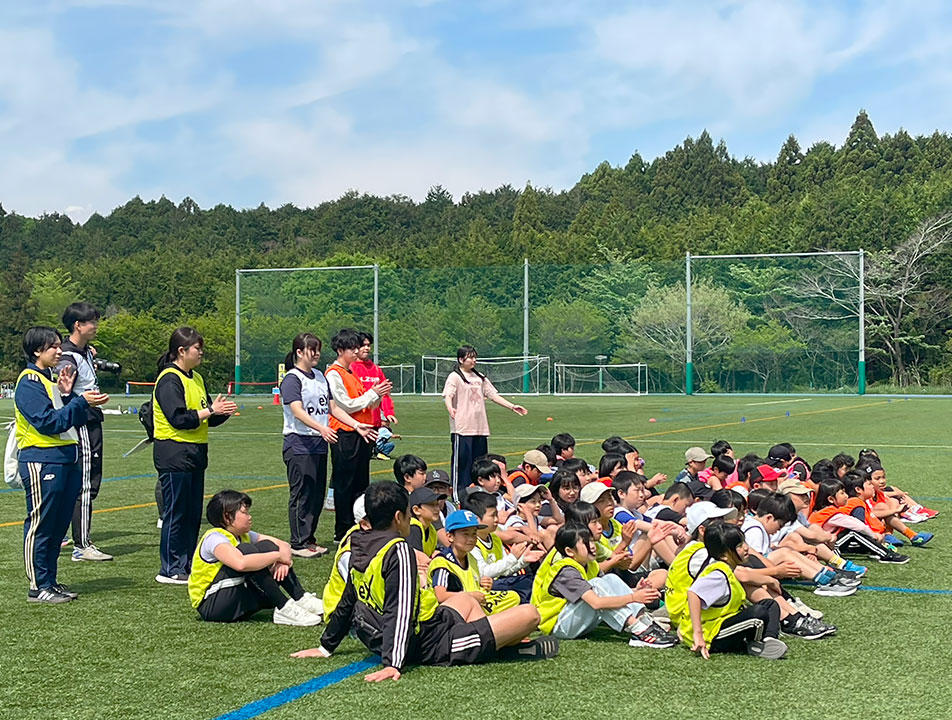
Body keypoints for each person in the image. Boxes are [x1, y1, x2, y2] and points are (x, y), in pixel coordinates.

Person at [291, 482, 558, 679]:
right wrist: (394, 663)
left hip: (409, 627)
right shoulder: (398, 549)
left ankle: (492, 640)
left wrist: (326, 646)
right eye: (408, 513)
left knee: (465, 599)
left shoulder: (357, 542)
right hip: (425, 644)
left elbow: (350, 597)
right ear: (399, 517)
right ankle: (500, 647)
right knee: (529, 614)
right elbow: (402, 607)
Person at [14, 326, 109, 602]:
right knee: (41, 524)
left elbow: (63, 417)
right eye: (52, 346)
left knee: (57, 526)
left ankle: (50, 581)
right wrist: (79, 402)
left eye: (58, 345)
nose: (59, 350)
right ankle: (37, 586)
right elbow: (47, 423)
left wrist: (67, 396)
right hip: (42, 460)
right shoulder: (29, 380)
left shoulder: (48, 380)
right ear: (36, 351)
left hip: (63, 458)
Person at [153, 326, 237, 584]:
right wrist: (211, 410)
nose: (201, 353)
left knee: (191, 513)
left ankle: (187, 563)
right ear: (181, 351)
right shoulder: (169, 379)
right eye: (197, 349)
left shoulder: (196, 378)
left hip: (195, 455)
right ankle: (170, 568)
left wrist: (221, 413)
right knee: (176, 512)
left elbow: (204, 417)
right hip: (174, 454)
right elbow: (178, 418)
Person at [281, 332, 376, 559]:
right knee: (302, 493)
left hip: (319, 443)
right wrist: (320, 427)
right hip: (300, 442)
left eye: (317, 349)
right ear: (299, 352)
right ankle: (298, 541)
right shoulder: (292, 378)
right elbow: (296, 410)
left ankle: (309, 539)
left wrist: (356, 425)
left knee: (316, 493)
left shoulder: (319, 376)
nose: (316, 354)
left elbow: (333, 408)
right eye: (311, 349)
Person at [188, 490, 324, 625]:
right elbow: (240, 563)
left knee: (267, 546)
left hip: (238, 597)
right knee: (247, 551)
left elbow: (283, 545)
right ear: (227, 517)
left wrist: (282, 562)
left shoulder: (242, 534)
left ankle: (301, 598)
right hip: (214, 605)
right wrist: (277, 556)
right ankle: (283, 607)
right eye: (244, 512)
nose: (249, 517)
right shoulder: (214, 538)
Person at [530, 525, 677, 648]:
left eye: (592, 541)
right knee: (596, 584)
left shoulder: (589, 564)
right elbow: (596, 602)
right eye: (585, 543)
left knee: (610, 578)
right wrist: (633, 597)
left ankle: (644, 622)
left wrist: (637, 591)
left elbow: (607, 591)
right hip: (557, 626)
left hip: (575, 618)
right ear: (569, 551)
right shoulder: (566, 570)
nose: (592, 546)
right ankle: (638, 630)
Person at [680, 522, 788, 660]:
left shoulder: (728, 568)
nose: (746, 548)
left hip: (722, 622)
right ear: (725, 555)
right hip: (712, 635)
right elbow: (693, 593)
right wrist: (697, 634)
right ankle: (754, 644)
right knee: (757, 614)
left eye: (744, 542)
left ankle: (768, 641)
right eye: (739, 546)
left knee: (770, 604)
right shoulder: (718, 574)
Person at [58, 302, 112, 562]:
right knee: (86, 483)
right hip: (82, 423)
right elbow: (64, 392)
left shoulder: (83, 351)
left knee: (78, 483)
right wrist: (87, 400)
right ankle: (82, 545)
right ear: (77, 325)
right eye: (91, 322)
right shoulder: (69, 357)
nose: (95, 326)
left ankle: (64, 535)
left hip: (89, 419)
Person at [324, 328, 388, 542]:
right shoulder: (334, 373)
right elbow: (345, 405)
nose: (357, 351)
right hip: (345, 433)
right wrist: (373, 394)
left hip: (362, 432)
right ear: (340, 350)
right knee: (345, 484)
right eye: (352, 348)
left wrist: (378, 396)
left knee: (361, 483)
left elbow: (364, 402)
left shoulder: (351, 373)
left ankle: (359, 524)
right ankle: (342, 530)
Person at [442, 345, 527, 501]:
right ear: (461, 359)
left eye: (475, 357)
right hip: (462, 429)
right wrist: (450, 408)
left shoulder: (479, 378)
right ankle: (458, 495)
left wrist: (512, 406)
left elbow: (493, 395)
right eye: (470, 357)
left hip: (480, 429)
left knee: (480, 466)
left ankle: (477, 494)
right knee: (462, 465)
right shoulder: (455, 377)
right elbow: (448, 395)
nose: (474, 360)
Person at [428, 509, 522, 615]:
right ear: (450, 537)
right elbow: (440, 596)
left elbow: (473, 585)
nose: (471, 539)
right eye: (465, 534)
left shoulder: (471, 558)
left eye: (473, 534)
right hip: (454, 610)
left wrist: (484, 584)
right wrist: (470, 596)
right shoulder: (442, 563)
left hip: (475, 602)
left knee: (513, 597)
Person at [351, 331, 398, 460]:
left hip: (373, 422)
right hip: (355, 422)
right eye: (363, 345)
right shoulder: (351, 368)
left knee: (364, 464)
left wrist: (388, 412)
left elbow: (385, 393)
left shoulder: (376, 369)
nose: (366, 348)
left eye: (368, 345)